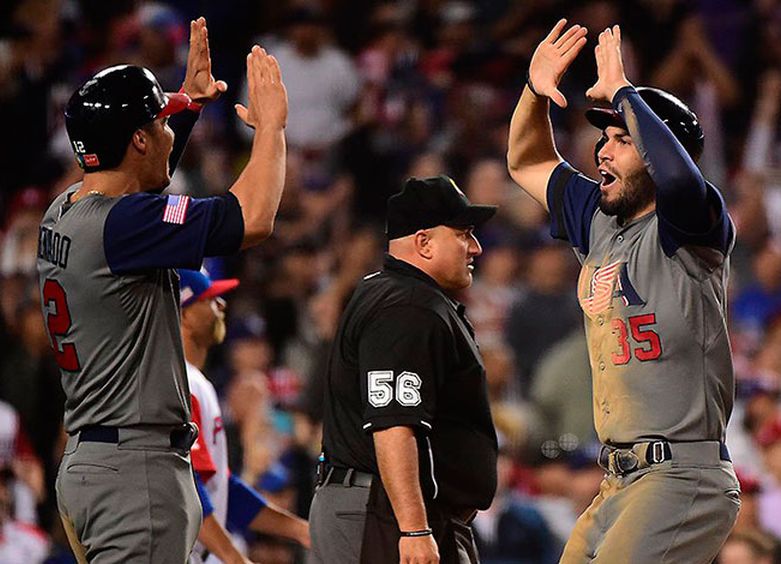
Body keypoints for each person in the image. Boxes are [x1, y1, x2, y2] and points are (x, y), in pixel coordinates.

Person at [36, 16, 288, 562]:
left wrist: (189, 106)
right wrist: (270, 129)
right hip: (134, 473)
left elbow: (138, 181)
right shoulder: (125, 226)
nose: (171, 130)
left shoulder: (65, 209)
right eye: (163, 122)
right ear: (140, 139)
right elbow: (254, 218)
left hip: (94, 460)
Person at [507, 20, 740, 563]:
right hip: (618, 480)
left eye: (622, 140)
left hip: (683, 476)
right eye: (602, 139)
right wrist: (532, 92)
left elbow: (680, 182)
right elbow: (528, 161)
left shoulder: (693, 224)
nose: (602, 152)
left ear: (662, 153)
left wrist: (623, 91)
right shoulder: (599, 221)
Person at [309, 175, 499, 564]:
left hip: (391, 507)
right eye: (463, 234)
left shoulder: (398, 294)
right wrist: (413, 528)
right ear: (424, 242)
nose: (476, 247)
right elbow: (393, 423)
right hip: (384, 513)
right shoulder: (406, 307)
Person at [178, 269, 309, 564]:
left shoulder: (197, 382)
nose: (221, 305)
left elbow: (223, 488)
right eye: (209, 299)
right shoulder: (181, 383)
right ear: (184, 316)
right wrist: (236, 559)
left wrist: (302, 530)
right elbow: (188, 487)